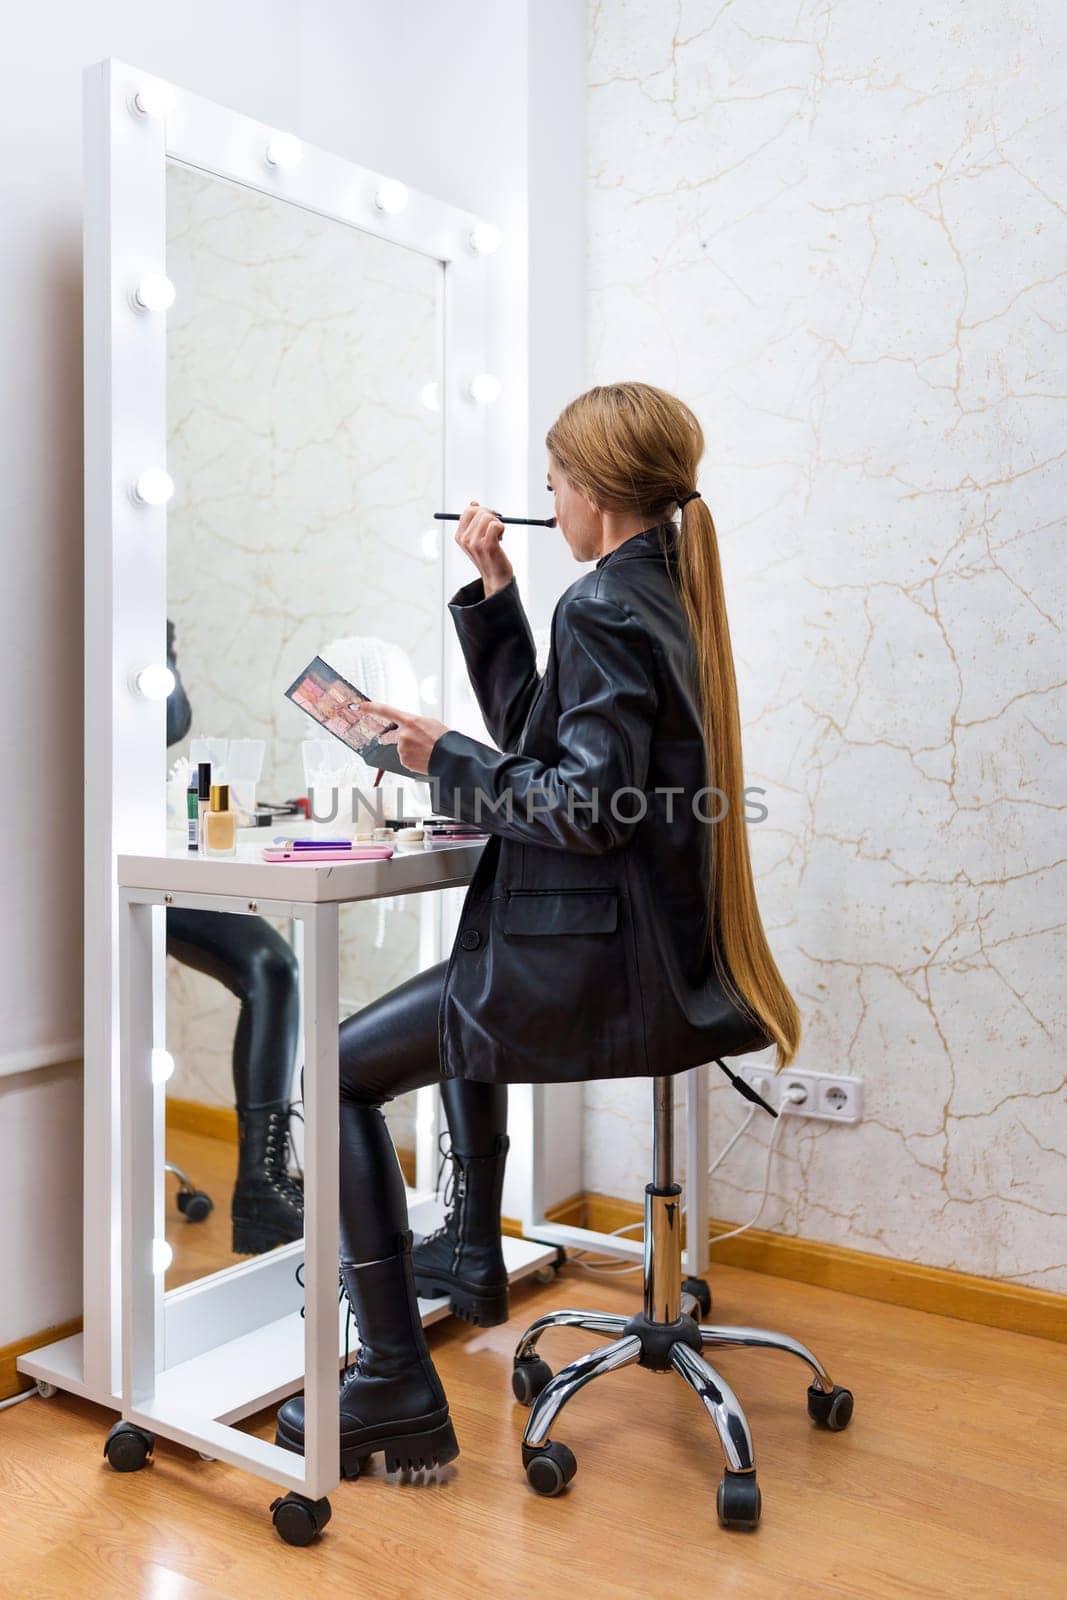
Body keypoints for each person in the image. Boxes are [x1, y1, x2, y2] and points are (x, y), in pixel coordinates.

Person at [274, 381, 801, 1481]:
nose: (544, 500)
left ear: (596, 491)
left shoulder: (605, 603)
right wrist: (496, 588)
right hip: (653, 956)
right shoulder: (654, 591)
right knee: (456, 988)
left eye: (551, 483)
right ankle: (468, 1251)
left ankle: (390, 1380)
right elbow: (553, 744)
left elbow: (580, 804)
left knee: (330, 1068)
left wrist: (437, 759)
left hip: (597, 967)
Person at [166, 619, 304, 1255]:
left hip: (146, 842)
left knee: (273, 968)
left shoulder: (134, 611)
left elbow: (169, 721)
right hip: (55, 858)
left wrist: (156, 642)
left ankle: (261, 1186)